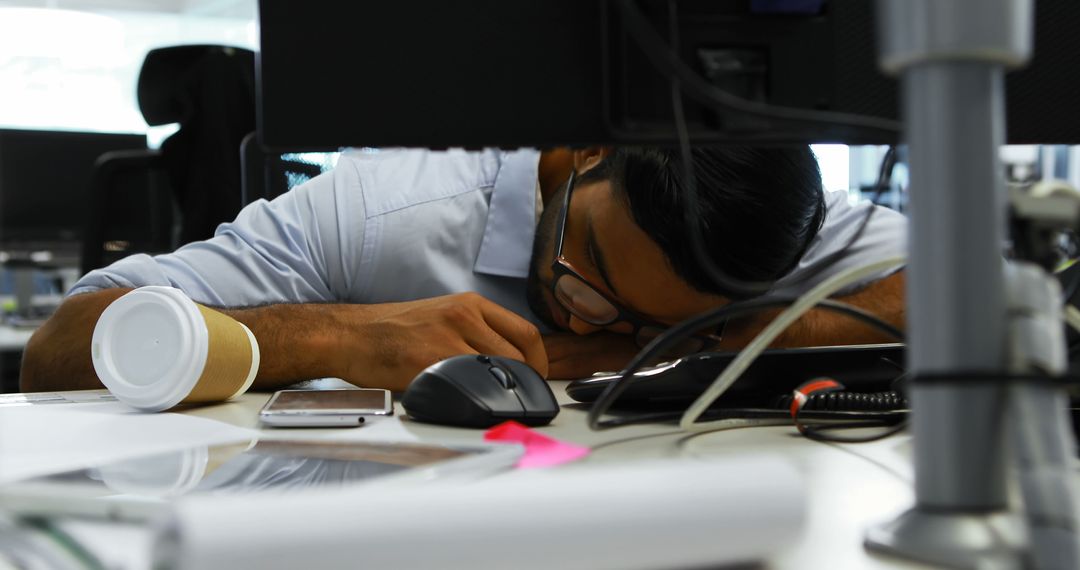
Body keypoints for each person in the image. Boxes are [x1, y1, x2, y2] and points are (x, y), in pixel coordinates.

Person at [20, 145, 906, 393]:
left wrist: (738, 340)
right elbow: (62, 344)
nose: (596, 334)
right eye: (586, 283)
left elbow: (982, 284)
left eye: (652, 324)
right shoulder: (375, 214)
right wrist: (338, 337)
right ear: (585, 151)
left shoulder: (763, 213)